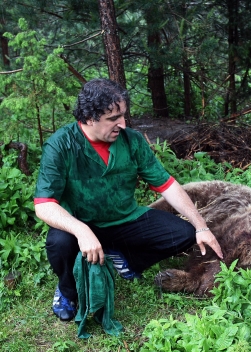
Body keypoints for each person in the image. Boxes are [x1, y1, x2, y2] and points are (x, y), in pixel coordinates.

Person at [34, 78, 223, 322]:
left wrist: (201, 226)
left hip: (124, 219)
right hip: (80, 222)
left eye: (123, 116)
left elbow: (167, 185)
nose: (122, 124)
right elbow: (44, 204)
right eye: (113, 118)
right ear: (90, 118)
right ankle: (68, 291)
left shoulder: (131, 141)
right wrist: (81, 230)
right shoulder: (61, 145)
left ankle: (126, 260)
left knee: (183, 233)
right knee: (58, 242)